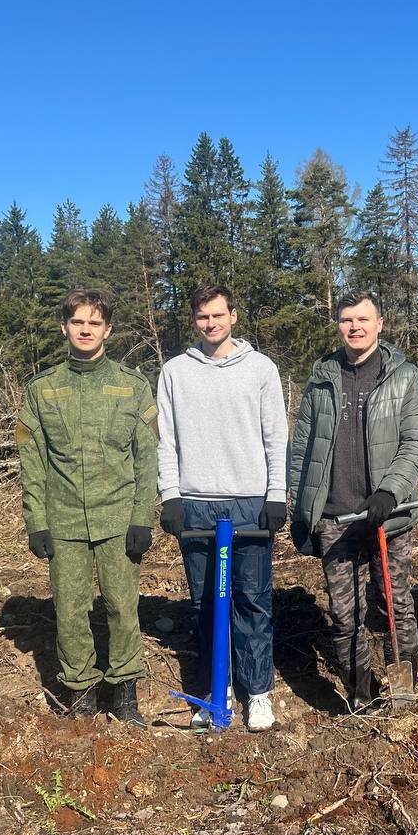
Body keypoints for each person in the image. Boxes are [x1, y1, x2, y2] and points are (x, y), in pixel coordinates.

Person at [17, 289, 158, 724]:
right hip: (63, 521)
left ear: (108, 330)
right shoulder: (42, 390)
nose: (85, 330)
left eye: (94, 323)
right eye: (77, 322)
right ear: (64, 327)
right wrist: (36, 521)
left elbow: (147, 458)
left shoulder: (133, 387)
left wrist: (142, 517)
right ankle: (81, 693)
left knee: (122, 606)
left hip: (117, 518)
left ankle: (125, 693)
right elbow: (32, 461)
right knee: (71, 610)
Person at [288, 291, 418, 712]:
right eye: (346, 320)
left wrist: (391, 490)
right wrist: (302, 512)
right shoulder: (321, 379)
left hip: (388, 517)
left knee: (394, 605)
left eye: (363, 319)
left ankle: (403, 688)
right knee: (344, 612)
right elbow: (302, 451)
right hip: (334, 519)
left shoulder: (405, 377)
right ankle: (359, 689)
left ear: (380, 324)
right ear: (338, 325)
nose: (354, 327)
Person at [157, 286, 288, 732]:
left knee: (253, 599)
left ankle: (258, 693)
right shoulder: (175, 372)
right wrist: (170, 495)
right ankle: (218, 687)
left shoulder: (260, 369)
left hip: (249, 501)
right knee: (206, 603)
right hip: (196, 504)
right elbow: (167, 439)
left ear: (233, 315)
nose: (210, 323)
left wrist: (276, 494)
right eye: (202, 316)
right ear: (194, 320)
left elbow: (276, 436)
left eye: (217, 315)